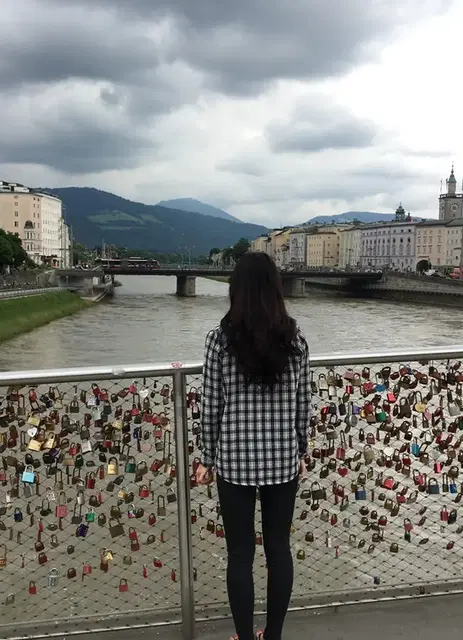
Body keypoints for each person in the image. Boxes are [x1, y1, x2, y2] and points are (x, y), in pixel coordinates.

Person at [195, 251, 311, 640]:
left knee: (240, 555)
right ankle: (272, 636)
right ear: (276, 291)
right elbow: (302, 404)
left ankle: (246, 637)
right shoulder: (295, 340)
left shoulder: (219, 340)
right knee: (278, 549)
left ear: (236, 292)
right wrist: (301, 450)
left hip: (235, 461)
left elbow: (210, 405)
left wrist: (206, 457)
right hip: (282, 460)